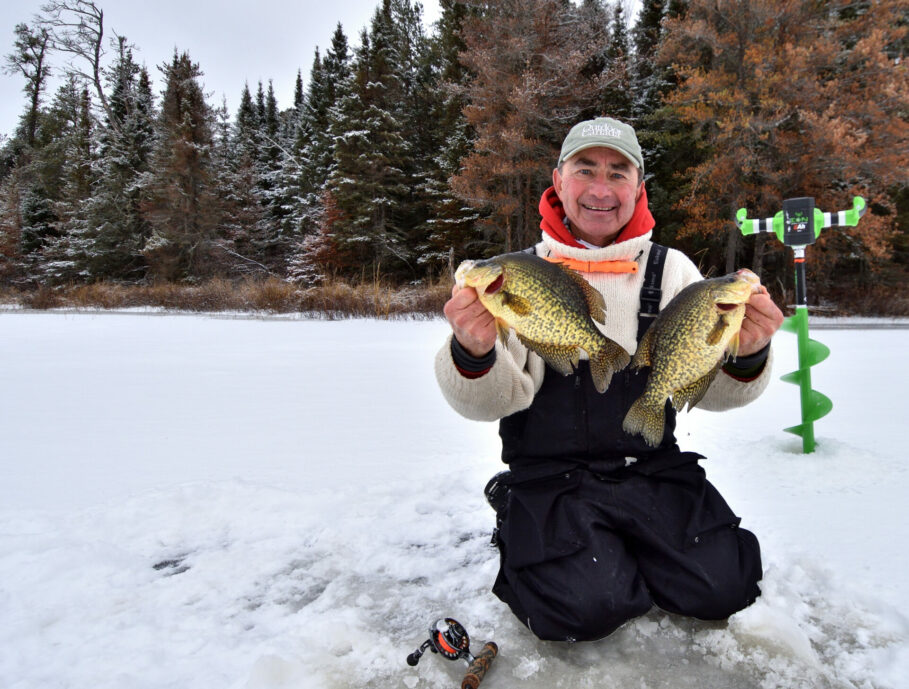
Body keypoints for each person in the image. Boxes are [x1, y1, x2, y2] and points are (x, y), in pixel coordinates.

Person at [434, 117, 784, 642]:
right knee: (583, 610)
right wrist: (472, 348)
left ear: (638, 187)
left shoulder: (675, 272)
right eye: (585, 169)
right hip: (551, 477)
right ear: (558, 180)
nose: (601, 189)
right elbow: (488, 403)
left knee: (728, 587)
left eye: (618, 173)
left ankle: (626, 549)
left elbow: (707, 391)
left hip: (651, 468)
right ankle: (524, 515)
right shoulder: (516, 272)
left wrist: (748, 353)